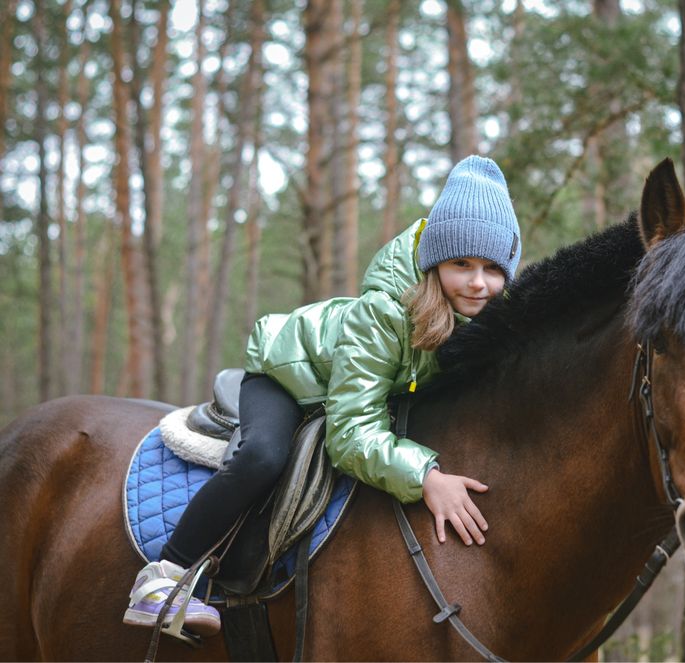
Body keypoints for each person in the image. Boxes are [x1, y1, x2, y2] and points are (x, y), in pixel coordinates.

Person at [123, 155, 522, 636]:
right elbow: (351, 432)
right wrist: (426, 476)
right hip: (288, 377)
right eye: (462, 264)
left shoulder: (481, 322)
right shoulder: (384, 315)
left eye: (492, 269)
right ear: (435, 262)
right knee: (264, 456)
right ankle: (164, 576)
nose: (478, 282)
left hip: (346, 385)